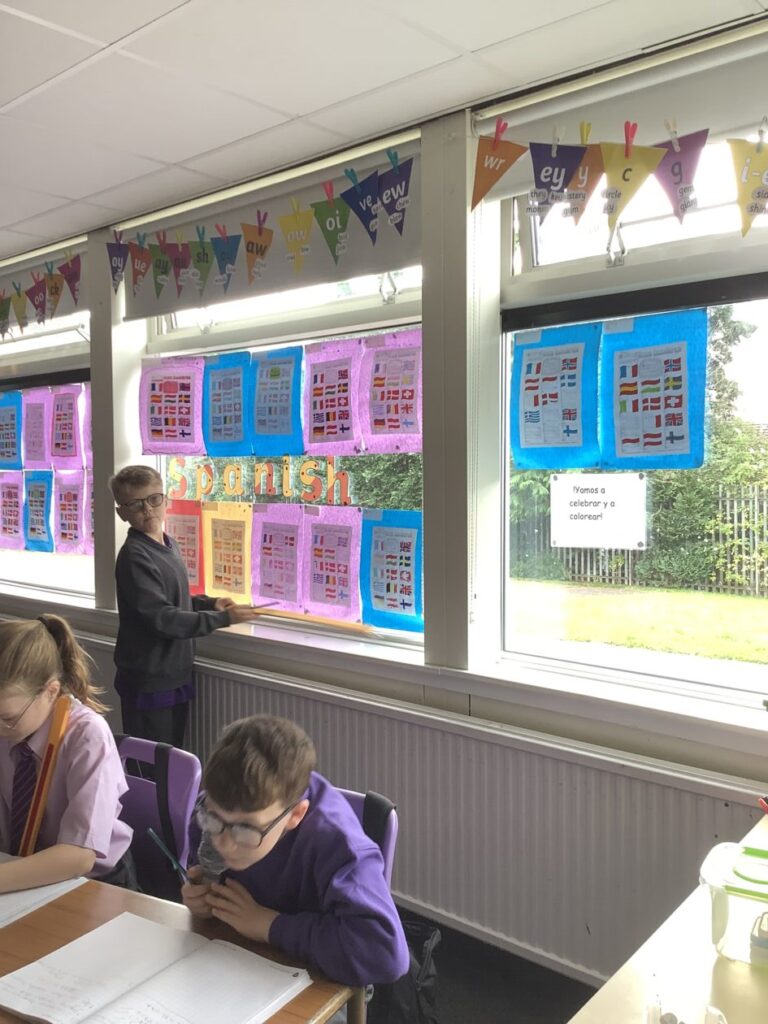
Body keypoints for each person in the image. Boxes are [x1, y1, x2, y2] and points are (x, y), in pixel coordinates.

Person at [181, 714, 409, 988]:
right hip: (233, 962)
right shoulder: (213, 810)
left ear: (295, 815)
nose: (225, 843)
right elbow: (206, 873)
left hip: (317, 981)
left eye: (245, 829)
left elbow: (384, 955)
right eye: (214, 819)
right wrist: (202, 899)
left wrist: (269, 925)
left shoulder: (339, 844)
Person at [111, 465, 261, 748]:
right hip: (149, 681)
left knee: (174, 759)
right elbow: (162, 618)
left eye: (154, 499)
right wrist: (222, 619)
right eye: (136, 504)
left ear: (165, 500)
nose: (148, 509)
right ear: (122, 513)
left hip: (174, 675)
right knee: (153, 762)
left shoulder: (169, 545)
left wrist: (211, 603)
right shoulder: (134, 556)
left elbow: (174, 601)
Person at [0, 614, 135, 893]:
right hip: (18, 869)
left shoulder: (87, 736)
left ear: (51, 692)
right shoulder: (10, 726)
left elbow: (80, 856)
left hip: (91, 881)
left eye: (7, 718)